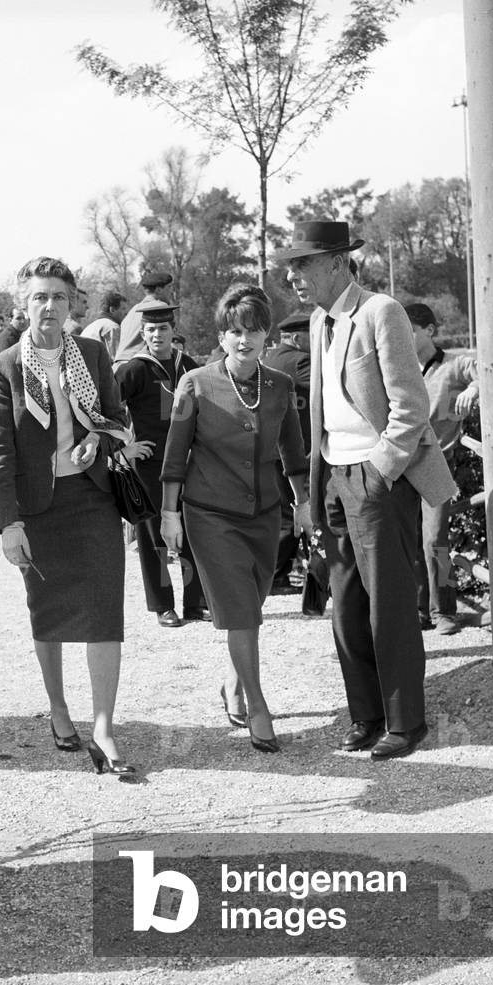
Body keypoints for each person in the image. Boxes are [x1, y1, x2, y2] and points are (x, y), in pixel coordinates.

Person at [278, 221, 456, 760]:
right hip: (333, 474)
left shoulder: (381, 311)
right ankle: (366, 716)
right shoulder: (316, 320)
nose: (292, 277)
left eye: (302, 265)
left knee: (391, 606)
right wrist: (318, 483)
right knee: (346, 606)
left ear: (335, 262)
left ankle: (406, 723)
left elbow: (410, 405)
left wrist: (380, 470)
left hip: (376, 477)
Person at [0, 256, 136, 776]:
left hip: (92, 503)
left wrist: (95, 437)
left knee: (103, 616)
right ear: (22, 305)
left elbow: (115, 418)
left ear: (73, 304)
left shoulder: (93, 355)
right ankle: (58, 708)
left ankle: (105, 728)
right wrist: (9, 524)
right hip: (37, 511)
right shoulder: (1, 369)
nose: (50, 306)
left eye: (59, 297)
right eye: (39, 297)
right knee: (47, 614)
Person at [160, 284, 310, 753]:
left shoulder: (282, 386)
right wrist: (169, 514)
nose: (244, 339)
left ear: (267, 333)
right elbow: (174, 455)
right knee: (240, 610)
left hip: (265, 515)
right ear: (221, 335)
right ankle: (259, 705)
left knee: (252, 602)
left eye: (253, 330)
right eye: (234, 331)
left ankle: (232, 682)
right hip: (210, 515)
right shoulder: (195, 383)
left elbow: (293, 452)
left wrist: (302, 503)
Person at [116, 299, 208, 627]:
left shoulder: (189, 366)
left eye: (163, 329)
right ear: (143, 333)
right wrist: (124, 446)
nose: (157, 335)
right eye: (151, 329)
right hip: (148, 467)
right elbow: (104, 408)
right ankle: (163, 606)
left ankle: (196, 604)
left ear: (173, 331)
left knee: (192, 532)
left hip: (186, 465)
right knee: (152, 537)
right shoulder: (134, 369)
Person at [406, 303, 479, 636]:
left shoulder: (453, 365)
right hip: (403, 464)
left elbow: (484, 370)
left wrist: (474, 389)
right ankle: (418, 610)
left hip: (438, 464)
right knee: (409, 541)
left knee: (436, 541)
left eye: (409, 330)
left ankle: (445, 610)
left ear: (430, 331)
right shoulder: (400, 366)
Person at [263, 311, 313, 591]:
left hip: (270, 448)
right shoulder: (300, 361)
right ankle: (276, 576)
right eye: (310, 335)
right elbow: (324, 390)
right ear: (296, 338)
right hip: (294, 450)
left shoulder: (270, 358)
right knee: (294, 511)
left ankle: (278, 573)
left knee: (282, 511)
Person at [113, 271, 174, 364]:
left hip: (119, 365)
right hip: (138, 365)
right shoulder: (160, 307)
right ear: (159, 290)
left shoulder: (133, 310)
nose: (171, 292)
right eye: (169, 287)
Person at [81, 289, 126, 362]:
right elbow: (117, 361)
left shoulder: (91, 326)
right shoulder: (112, 327)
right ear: (112, 310)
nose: (126, 313)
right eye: (123, 309)